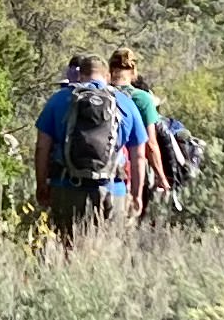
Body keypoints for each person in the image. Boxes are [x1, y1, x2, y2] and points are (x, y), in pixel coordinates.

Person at [34, 52, 134, 241]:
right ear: (108, 76)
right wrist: (136, 194)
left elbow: (42, 148)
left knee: (66, 247)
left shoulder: (58, 100)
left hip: (66, 186)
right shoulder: (125, 103)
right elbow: (139, 155)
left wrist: (41, 185)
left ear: (80, 76)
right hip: (112, 189)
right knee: (107, 250)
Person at [106, 47, 165, 218]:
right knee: (129, 219)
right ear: (133, 71)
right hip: (131, 171)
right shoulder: (142, 99)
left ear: (110, 69)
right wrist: (161, 176)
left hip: (100, 167)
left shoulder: (100, 94)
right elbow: (150, 145)